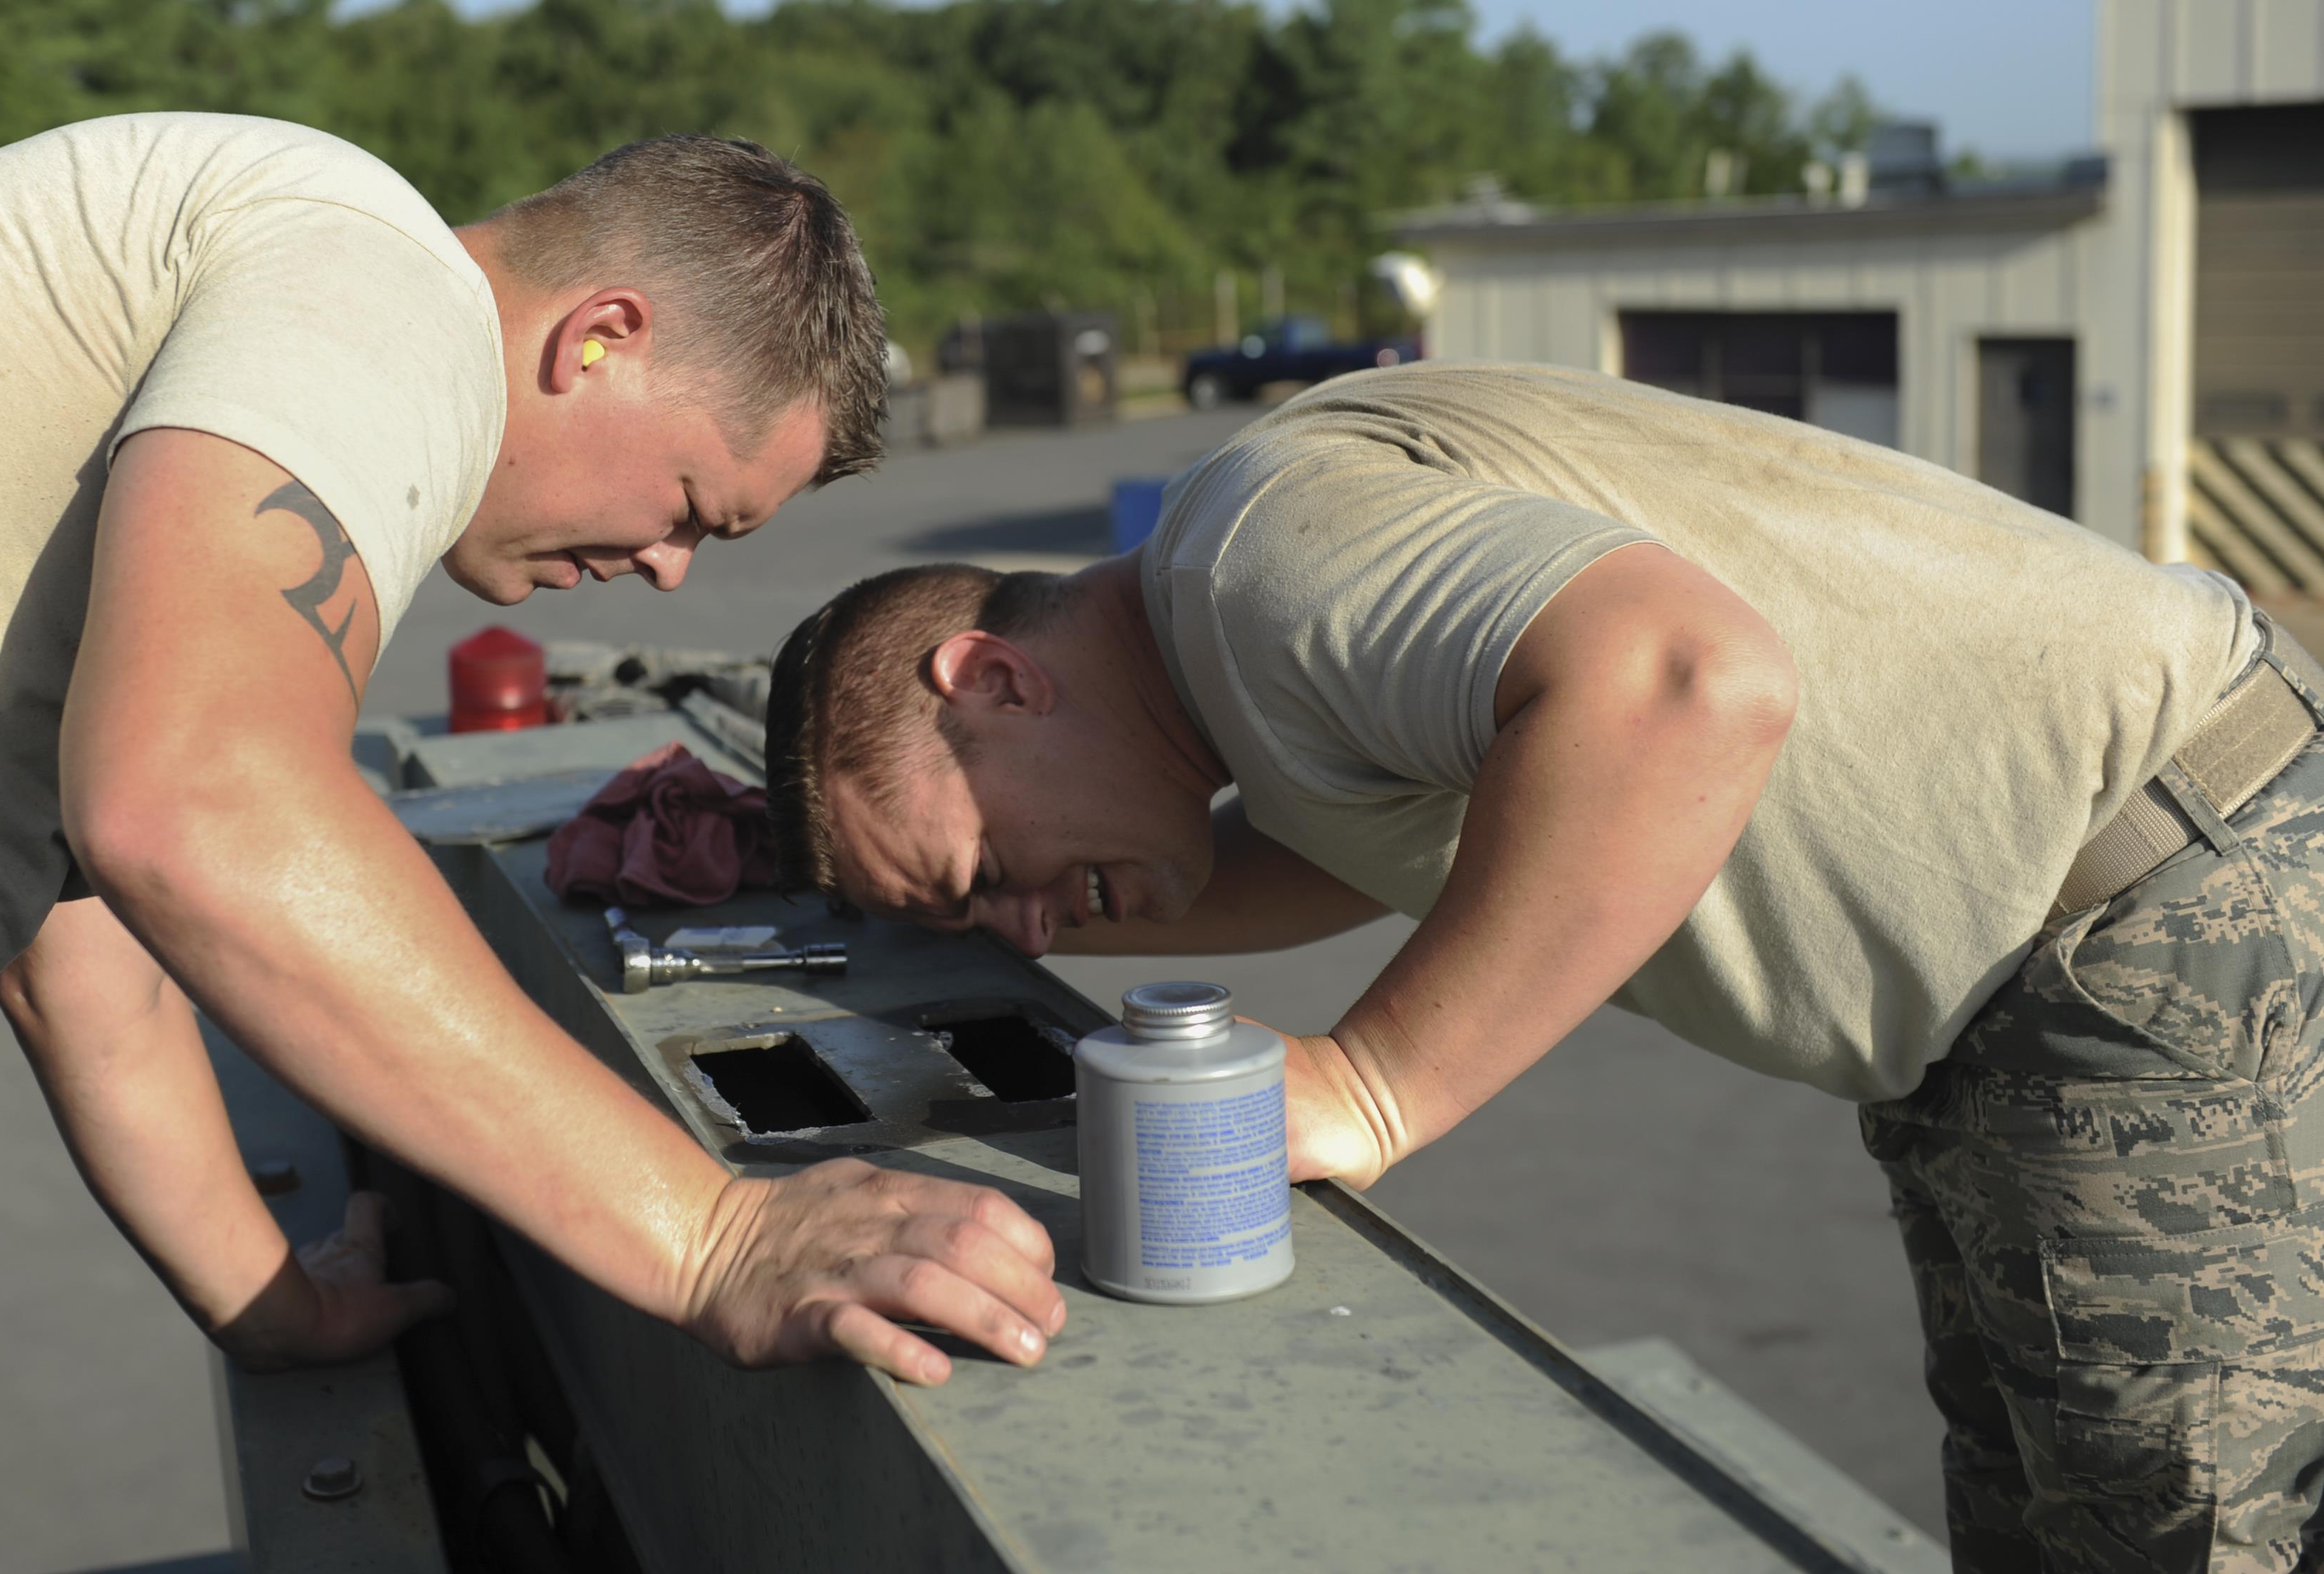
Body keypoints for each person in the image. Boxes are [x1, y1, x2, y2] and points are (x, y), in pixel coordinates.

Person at [762, 361, 2324, 1571]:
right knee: (2056, 1510)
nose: (1035, 926)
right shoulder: (1254, 655)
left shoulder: (1254, 563)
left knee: (2171, 1525)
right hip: (2049, 965)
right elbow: (1346, 856)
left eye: (981, 879)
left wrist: (1375, 1083)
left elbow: (1682, 686)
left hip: (2152, 902)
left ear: (991, 677)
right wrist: (769, 853)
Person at [0, 112, 1062, 1391]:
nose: (666, 569)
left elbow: (84, 953)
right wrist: (713, 1234)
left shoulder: (298, 325)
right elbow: (194, 807)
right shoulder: (380, 285)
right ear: (601, 336)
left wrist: (275, 1309)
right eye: (694, 507)